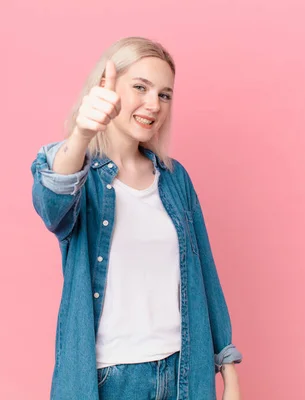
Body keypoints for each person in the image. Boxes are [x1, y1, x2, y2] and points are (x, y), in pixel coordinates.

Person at [31, 36, 243, 400]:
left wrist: (228, 370)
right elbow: (52, 204)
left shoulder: (175, 179)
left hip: (183, 374)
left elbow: (205, 272)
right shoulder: (81, 176)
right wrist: (82, 134)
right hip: (112, 380)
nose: (153, 104)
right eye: (140, 87)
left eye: (164, 94)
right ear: (106, 88)